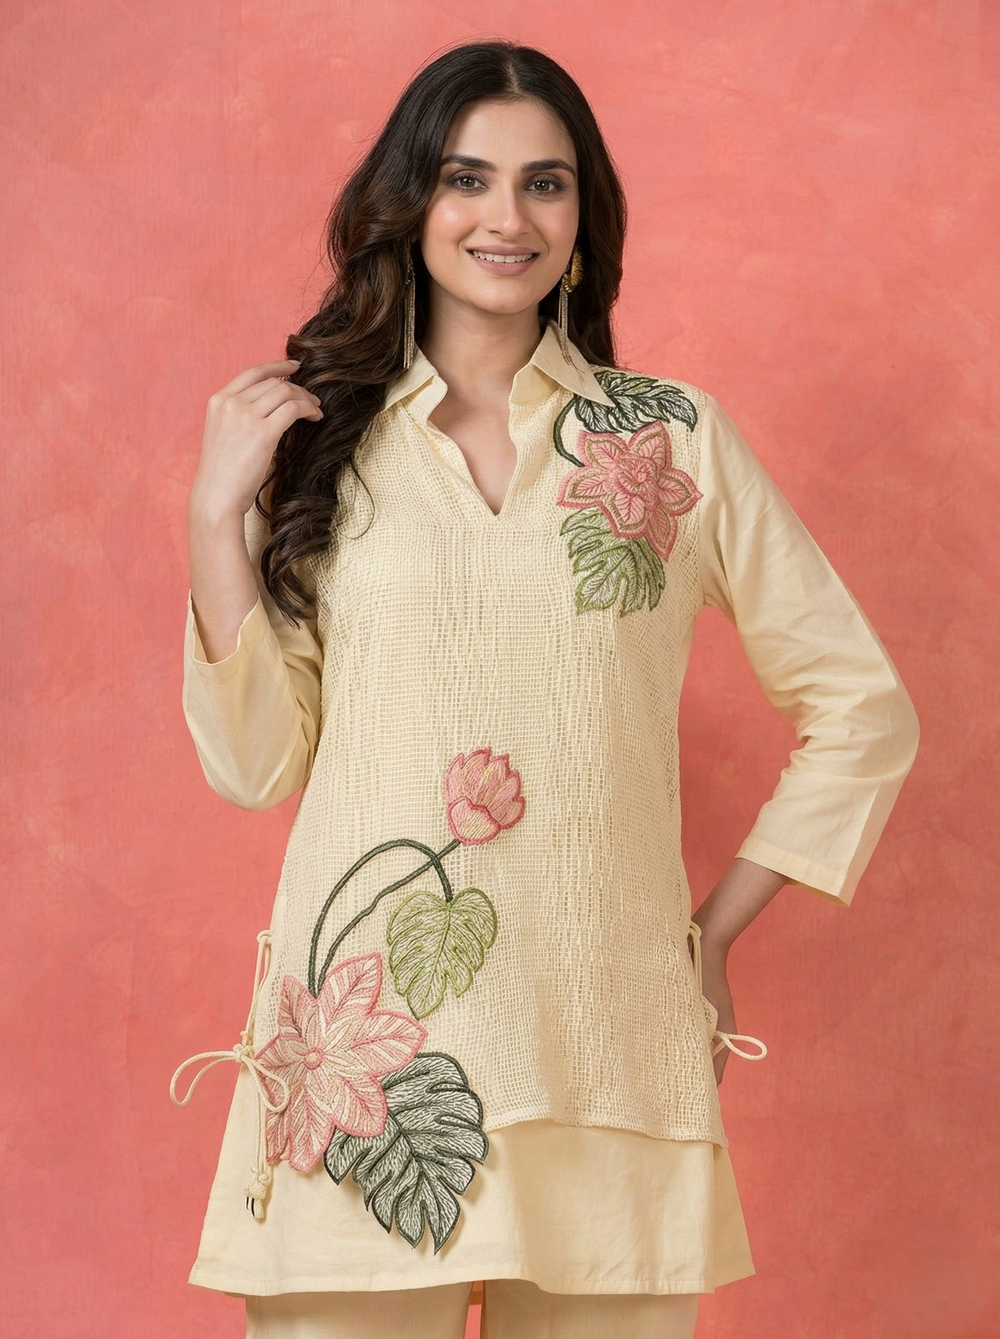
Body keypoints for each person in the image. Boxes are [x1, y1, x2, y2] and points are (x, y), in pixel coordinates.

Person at [171, 39, 919, 1339]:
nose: (506, 216)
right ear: (411, 200)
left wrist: (711, 937)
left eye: (545, 183)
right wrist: (210, 515)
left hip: (608, 1049)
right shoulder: (314, 445)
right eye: (467, 178)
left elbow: (863, 707)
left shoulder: (669, 439)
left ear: (584, 215)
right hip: (364, 1077)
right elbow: (253, 765)